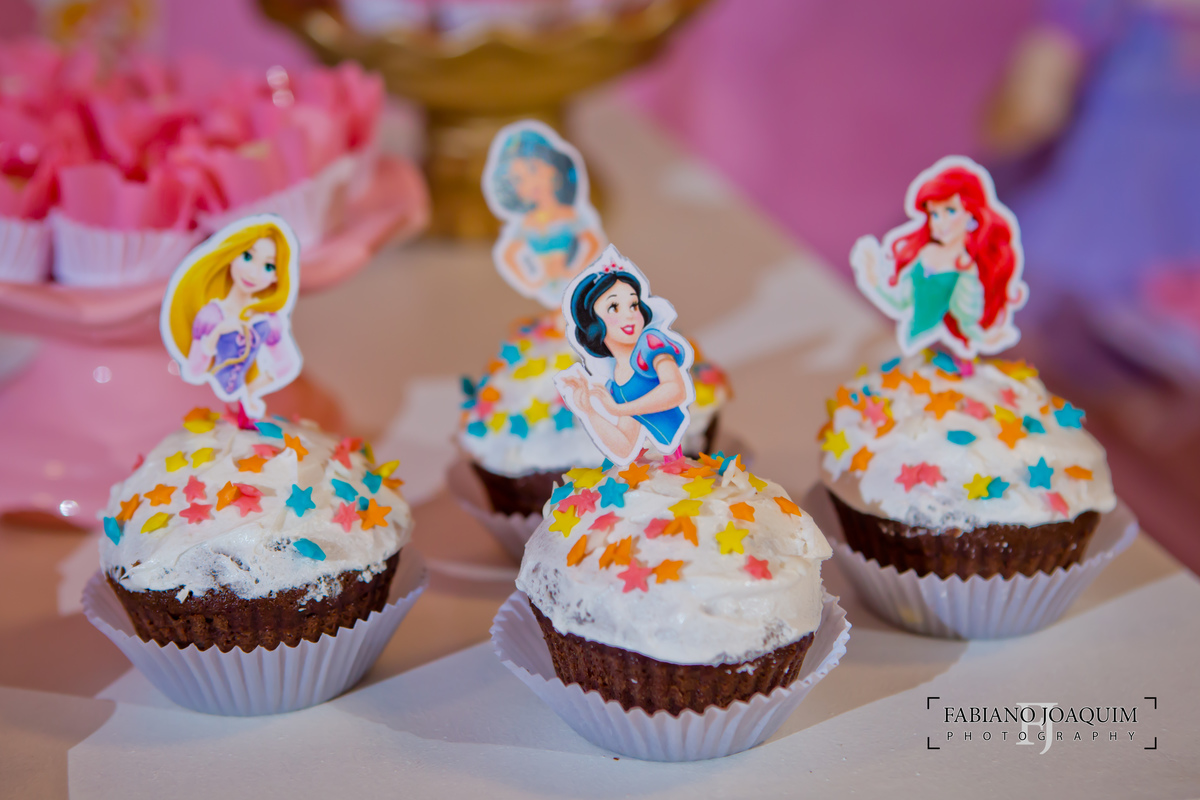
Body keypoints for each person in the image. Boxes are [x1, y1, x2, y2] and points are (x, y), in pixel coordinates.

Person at [851, 157, 1027, 357]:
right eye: (934, 214)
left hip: (935, 350)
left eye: (950, 211)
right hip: (903, 341)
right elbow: (901, 300)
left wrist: (986, 338)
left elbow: (966, 318)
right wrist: (873, 277)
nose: (940, 222)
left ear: (971, 214)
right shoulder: (927, 252)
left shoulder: (965, 266)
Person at [556, 251, 693, 464]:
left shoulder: (651, 343)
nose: (629, 314)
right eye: (614, 307)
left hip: (682, 455)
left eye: (633, 305)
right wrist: (590, 411)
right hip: (666, 463)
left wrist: (618, 409)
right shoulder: (615, 385)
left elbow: (675, 390)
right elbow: (625, 446)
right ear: (594, 324)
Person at [163, 217, 301, 417]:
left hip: (245, 411)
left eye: (268, 267)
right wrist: (218, 332)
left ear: (276, 276)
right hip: (205, 405)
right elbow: (194, 371)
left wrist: (251, 390)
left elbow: (286, 364)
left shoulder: (268, 321)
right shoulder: (211, 316)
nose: (253, 273)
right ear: (232, 255)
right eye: (247, 256)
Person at [483, 121, 604, 308]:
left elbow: (593, 241)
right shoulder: (526, 224)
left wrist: (577, 272)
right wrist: (529, 283)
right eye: (518, 179)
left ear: (553, 167)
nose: (530, 183)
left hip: (570, 284)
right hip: (545, 288)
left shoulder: (569, 215)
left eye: (534, 169)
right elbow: (508, 254)